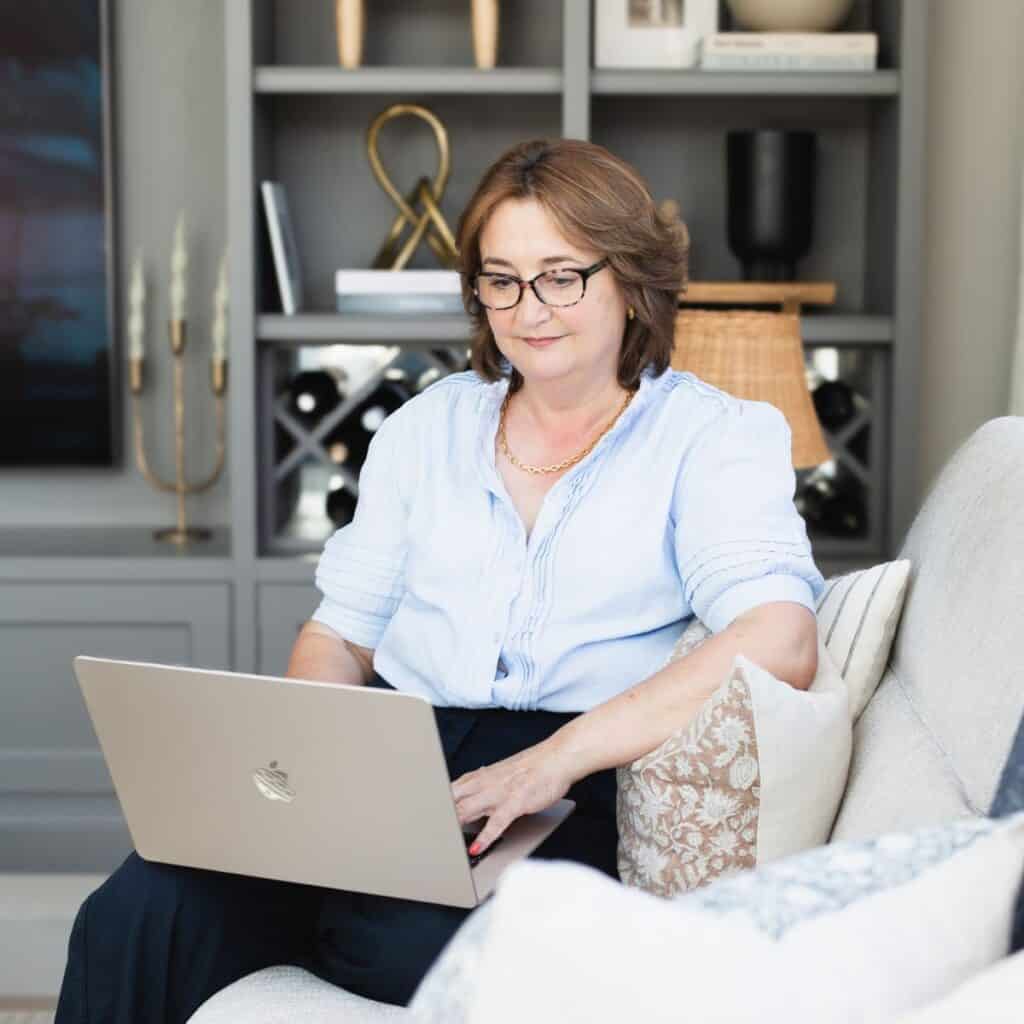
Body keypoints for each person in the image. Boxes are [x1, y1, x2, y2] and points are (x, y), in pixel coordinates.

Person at [56, 137, 824, 1022]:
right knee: (134, 911)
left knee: (402, 948)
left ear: (631, 279)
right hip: (392, 756)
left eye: (561, 276)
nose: (528, 309)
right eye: (500, 279)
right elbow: (339, 634)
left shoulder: (713, 437)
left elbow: (781, 636)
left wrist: (545, 766)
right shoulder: (425, 429)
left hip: (570, 778)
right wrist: (314, 768)